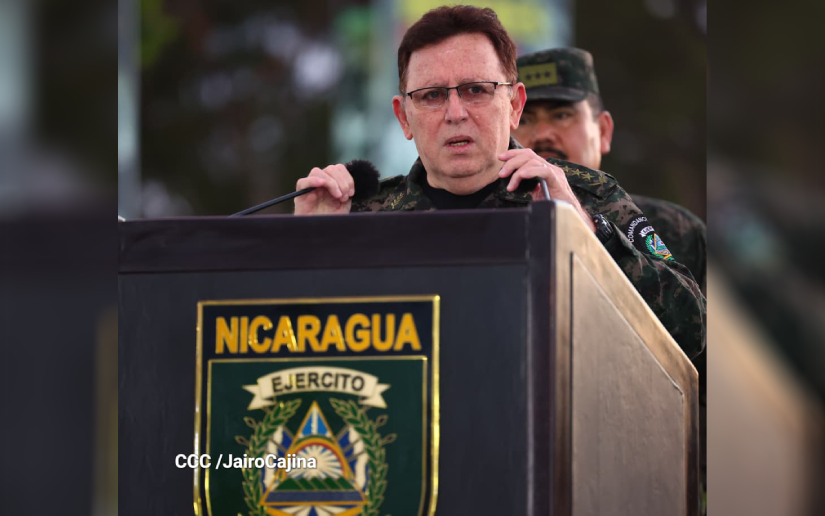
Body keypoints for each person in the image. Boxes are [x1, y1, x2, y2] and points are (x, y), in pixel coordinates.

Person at [293, 5, 705, 359]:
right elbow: (298, 349)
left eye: (476, 90)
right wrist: (308, 251)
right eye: (433, 95)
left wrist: (588, 236)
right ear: (404, 118)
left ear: (513, 105)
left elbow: (694, 332)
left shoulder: (584, 197)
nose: (455, 113)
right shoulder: (362, 216)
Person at [512, 48, 706, 292]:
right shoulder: (492, 222)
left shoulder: (676, 232)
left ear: (603, 131)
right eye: (525, 120)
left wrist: (601, 235)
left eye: (561, 115)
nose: (542, 134)